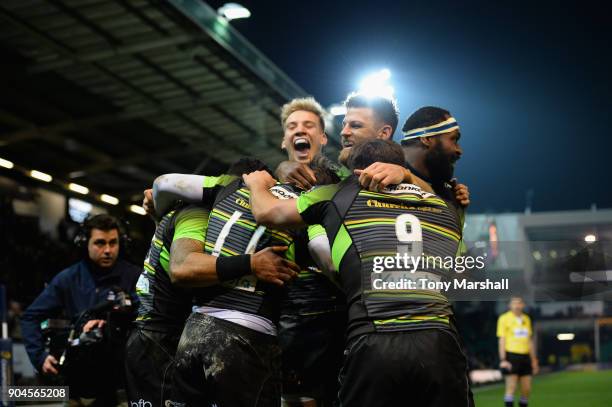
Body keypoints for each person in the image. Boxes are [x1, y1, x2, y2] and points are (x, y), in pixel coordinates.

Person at [244, 139, 474, 407]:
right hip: (440, 342)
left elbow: (266, 212)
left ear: (356, 172)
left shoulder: (338, 193)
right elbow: (461, 278)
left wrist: (256, 183)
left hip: (374, 340)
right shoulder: (446, 210)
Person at [126, 159, 297, 406]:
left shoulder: (184, 210)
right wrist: (251, 263)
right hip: (160, 340)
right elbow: (182, 267)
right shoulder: (197, 212)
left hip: (157, 334)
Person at [21, 214, 140, 406]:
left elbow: (150, 315)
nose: (108, 250)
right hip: (78, 384)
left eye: (113, 243)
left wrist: (116, 321)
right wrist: (40, 357)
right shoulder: (68, 279)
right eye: (100, 243)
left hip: (122, 384)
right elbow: (30, 318)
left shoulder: (134, 276)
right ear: (85, 243)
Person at [497, 297, 539, 407]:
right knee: (511, 387)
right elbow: (502, 340)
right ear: (509, 306)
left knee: (526, 389)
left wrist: (534, 360)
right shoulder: (504, 318)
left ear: (523, 305)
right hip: (511, 356)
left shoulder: (527, 319)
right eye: (514, 303)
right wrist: (503, 360)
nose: (517, 305)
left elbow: (530, 341)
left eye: (519, 303)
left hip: (525, 357)